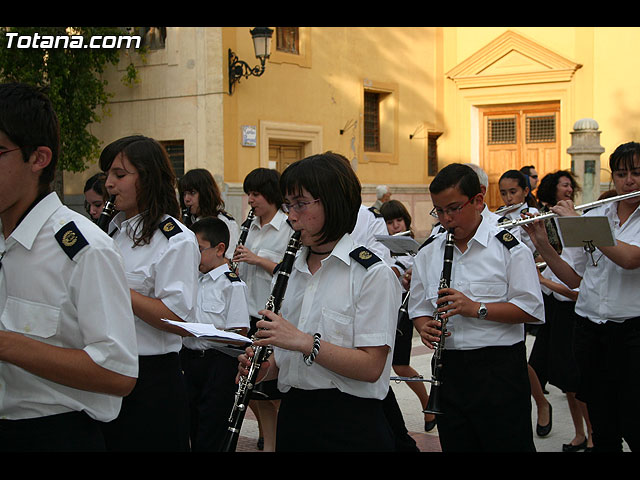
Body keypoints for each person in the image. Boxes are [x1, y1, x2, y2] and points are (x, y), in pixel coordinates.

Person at [0, 82, 138, 451]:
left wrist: (7, 345)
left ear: (38, 158)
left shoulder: (83, 250)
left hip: (53, 434)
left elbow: (118, 373)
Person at [238, 151, 400, 451]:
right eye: (288, 205)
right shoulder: (288, 271)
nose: (291, 216)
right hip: (295, 413)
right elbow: (286, 359)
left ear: (333, 202)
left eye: (300, 204)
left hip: (350, 422)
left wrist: (303, 341)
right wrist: (265, 368)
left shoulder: (371, 274)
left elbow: (371, 366)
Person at [408, 163, 544, 452]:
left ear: (478, 201)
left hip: (499, 369)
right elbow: (418, 307)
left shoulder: (509, 248)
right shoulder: (428, 253)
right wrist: (424, 327)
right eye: (439, 211)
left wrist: (476, 308)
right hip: (449, 369)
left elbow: (532, 308)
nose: (446, 219)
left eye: (454, 209)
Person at [522, 141, 640, 452]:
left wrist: (580, 225)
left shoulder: (589, 221)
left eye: (637, 173)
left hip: (632, 333)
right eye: (622, 174)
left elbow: (630, 259)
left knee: (634, 422)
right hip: (590, 330)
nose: (629, 181)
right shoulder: (598, 214)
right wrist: (542, 242)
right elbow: (576, 280)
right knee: (602, 425)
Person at [99, 135, 200, 452]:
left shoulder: (175, 239)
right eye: (107, 175)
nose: (109, 184)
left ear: (147, 176)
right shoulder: (112, 231)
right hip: (106, 367)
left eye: (119, 175)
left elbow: (177, 318)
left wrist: (115, 288)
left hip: (151, 378)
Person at [232, 167, 294, 452]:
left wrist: (257, 259)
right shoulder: (249, 227)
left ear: (270, 194)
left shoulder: (287, 228)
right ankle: (268, 442)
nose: (250, 200)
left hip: (272, 318)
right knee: (255, 391)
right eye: (249, 194)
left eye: (255, 194)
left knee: (273, 391)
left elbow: (289, 272)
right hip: (247, 314)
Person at [180, 216, 250, 451]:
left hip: (217, 363)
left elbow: (240, 331)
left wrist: (205, 333)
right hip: (189, 360)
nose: (194, 256)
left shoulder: (232, 284)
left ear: (220, 249)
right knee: (190, 422)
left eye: (199, 250)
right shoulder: (192, 280)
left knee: (212, 427)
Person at [380, 199, 435, 433]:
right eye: (389, 222)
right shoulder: (381, 247)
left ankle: (428, 404)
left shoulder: (411, 248)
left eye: (399, 220)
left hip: (402, 312)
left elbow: (394, 271)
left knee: (400, 365)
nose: (395, 226)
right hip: (382, 310)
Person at [178, 168, 240, 261]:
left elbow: (230, 259)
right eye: (184, 194)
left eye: (192, 193)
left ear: (205, 193)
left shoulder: (224, 222)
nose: (186, 199)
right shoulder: (186, 221)